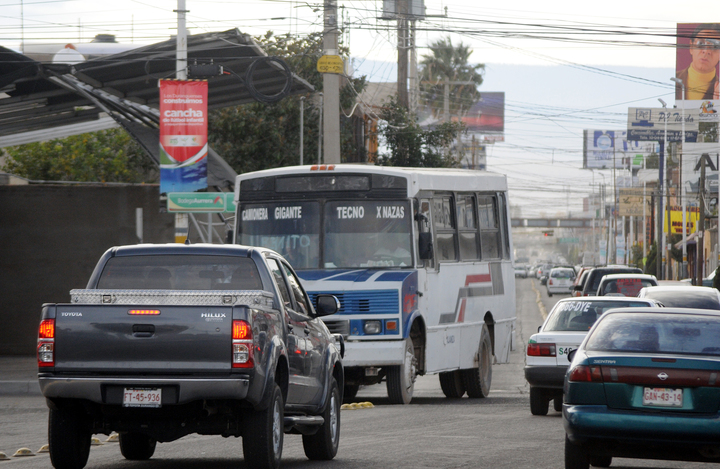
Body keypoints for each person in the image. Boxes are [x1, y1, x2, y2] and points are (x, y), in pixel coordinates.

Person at [675, 23, 720, 100]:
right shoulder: (674, 80)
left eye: (715, 46)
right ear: (691, 46)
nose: (706, 51)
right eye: (701, 43)